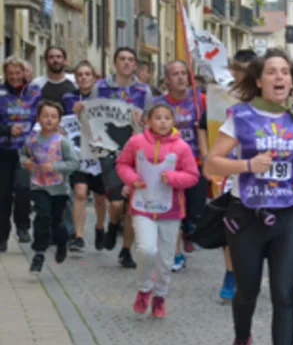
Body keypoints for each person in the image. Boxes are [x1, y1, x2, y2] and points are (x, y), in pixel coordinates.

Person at [204, 49, 293, 345]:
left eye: (285, 71)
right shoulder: (240, 116)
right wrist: (248, 166)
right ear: (259, 81)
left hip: (291, 212)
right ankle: (242, 339)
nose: (279, 77)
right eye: (272, 71)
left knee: (284, 294)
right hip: (248, 214)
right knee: (247, 291)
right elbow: (211, 164)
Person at [116, 101, 200, 319]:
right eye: (158, 118)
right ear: (148, 121)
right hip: (142, 206)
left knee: (165, 259)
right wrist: (132, 179)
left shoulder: (182, 147)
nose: (162, 122)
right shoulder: (136, 142)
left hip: (170, 210)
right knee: (146, 250)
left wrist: (173, 178)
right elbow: (123, 164)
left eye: (167, 118)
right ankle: (144, 289)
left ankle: (160, 296)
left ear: (173, 121)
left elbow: (193, 176)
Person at [74, 47, 155, 269]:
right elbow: (89, 119)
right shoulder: (100, 87)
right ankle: (112, 222)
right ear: (115, 63)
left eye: (131, 59)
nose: (127, 63)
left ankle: (126, 250)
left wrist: (144, 119)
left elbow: (152, 122)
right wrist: (79, 111)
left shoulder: (143, 90)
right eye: (122, 59)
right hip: (109, 152)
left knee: (132, 205)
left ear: (135, 65)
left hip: (136, 153)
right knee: (117, 203)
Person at [157, 61, 208, 272]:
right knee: (173, 210)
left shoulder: (200, 100)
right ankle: (175, 253)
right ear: (167, 80)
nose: (180, 77)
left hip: (195, 162)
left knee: (195, 211)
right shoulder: (159, 103)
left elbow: (215, 123)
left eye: (183, 73)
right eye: (175, 74)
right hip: (169, 164)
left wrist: (202, 127)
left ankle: (189, 228)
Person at [22, 100, 78, 273]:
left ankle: (62, 243)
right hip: (38, 186)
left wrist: (54, 166)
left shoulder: (63, 142)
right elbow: (23, 155)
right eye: (45, 116)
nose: (49, 119)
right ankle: (39, 253)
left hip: (59, 189)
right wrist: (26, 162)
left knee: (56, 221)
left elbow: (74, 163)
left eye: (53, 116)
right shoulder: (32, 140)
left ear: (59, 120)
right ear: (38, 118)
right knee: (42, 216)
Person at [218, 50, 256, 301]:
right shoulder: (222, 96)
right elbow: (206, 124)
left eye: (246, 70)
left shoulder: (266, 99)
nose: (241, 75)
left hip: (260, 171)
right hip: (230, 168)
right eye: (238, 70)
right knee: (230, 224)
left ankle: (250, 273)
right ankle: (231, 273)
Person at [64, 61, 108, 252]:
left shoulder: (103, 97)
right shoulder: (68, 97)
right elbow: (63, 121)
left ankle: (100, 227)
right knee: (80, 193)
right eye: (80, 74)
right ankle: (79, 236)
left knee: (100, 197)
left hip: (98, 154)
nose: (83, 78)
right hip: (78, 152)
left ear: (94, 77)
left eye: (87, 74)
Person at [0, 56, 38, 250]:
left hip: (27, 150)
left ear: (25, 73)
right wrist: (7, 130)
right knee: (3, 195)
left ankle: (23, 226)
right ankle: (2, 236)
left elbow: (44, 115)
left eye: (18, 73)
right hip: (3, 151)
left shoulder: (34, 92)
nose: (14, 77)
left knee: (24, 190)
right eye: (10, 73)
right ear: (5, 74)